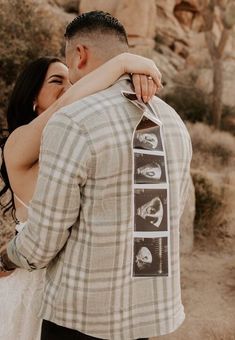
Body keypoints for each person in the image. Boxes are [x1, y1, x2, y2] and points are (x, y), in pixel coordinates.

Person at [0, 11, 192, 340]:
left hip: (76, 301)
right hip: (66, 295)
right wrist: (121, 66)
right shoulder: (171, 121)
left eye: (67, 77)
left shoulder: (77, 125)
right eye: (55, 81)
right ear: (32, 96)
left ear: (80, 55)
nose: (72, 86)